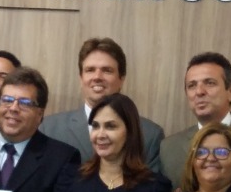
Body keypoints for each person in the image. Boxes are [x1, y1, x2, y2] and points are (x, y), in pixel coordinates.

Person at [41, 38, 165, 173]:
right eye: (90, 70)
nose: (97, 77)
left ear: (121, 79)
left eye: (107, 70)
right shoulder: (49, 129)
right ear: (81, 78)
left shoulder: (150, 134)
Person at [158, 52, 231, 183]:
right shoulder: (170, 147)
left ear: (230, 91)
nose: (199, 91)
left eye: (210, 83)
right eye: (192, 85)